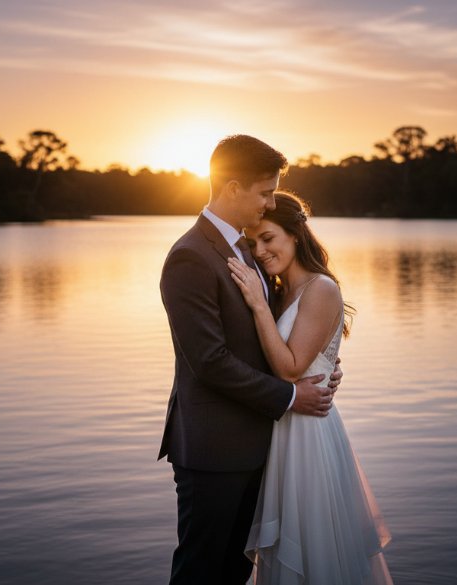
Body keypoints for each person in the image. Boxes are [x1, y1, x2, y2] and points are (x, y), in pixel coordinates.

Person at [159, 135, 343, 585]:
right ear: (233, 188)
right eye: (265, 192)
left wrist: (320, 363)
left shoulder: (247, 250)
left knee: (235, 573)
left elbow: (277, 334)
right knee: (200, 573)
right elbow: (211, 361)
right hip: (213, 449)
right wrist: (290, 396)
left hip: (262, 446)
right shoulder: (191, 257)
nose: (271, 201)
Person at [229, 191, 393, 584]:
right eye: (253, 244)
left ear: (295, 235)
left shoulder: (321, 289)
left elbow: (289, 369)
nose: (261, 251)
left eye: (269, 238)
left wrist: (255, 304)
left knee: (313, 549)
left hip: (309, 435)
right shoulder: (280, 292)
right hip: (282, 429)